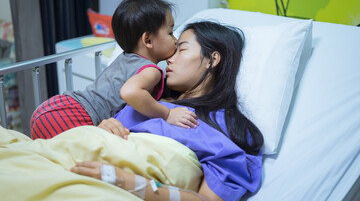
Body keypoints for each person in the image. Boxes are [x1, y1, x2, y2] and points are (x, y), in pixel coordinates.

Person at [71, 21, 264, 201]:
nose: (169, 58)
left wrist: (126, 181)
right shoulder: (150, 101)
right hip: (76, 158)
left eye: (181, 50)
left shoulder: (228, 129)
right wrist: (105, 126)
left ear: (212, 60)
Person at [30, 0, 198, 140]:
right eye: (170, 33)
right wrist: (167, 114)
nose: (175, 40)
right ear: (147, 40)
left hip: (55, 107)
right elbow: (130, 93)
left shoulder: (124, 58)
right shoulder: (151, 70)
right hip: (74, 117)